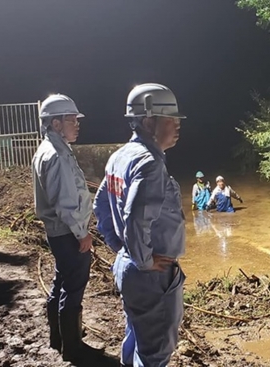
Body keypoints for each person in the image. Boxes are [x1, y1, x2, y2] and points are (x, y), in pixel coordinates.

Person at [94, 83, 187, 367]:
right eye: (171, 119)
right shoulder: (149, 164)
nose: (177, 125)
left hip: (129, 267)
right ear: (149, 121)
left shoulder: (120, 156)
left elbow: (100, 207)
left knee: (136, 336)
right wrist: (144, 261)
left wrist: (122, 249)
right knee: (156, 352)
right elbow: (136, 219)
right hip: (151, 277)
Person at [32, 94, 101, 362]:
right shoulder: (57, 155)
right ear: (56, 123)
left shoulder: (50, 149)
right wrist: (82, 232)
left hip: (59, 232)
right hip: (67, 232)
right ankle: (73, 347)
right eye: (72, 120)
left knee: (61, 282)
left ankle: (58, 338)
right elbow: (65, 201)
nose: (77, 124)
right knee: (73, 287)